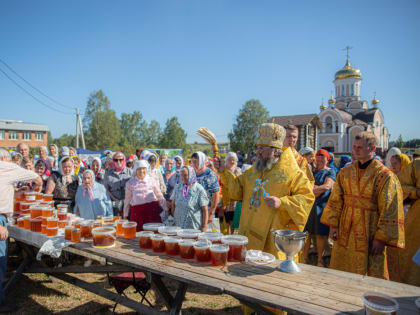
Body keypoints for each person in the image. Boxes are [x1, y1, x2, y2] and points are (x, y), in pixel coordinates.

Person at [216, 123, 314, 315]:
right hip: (249, 234)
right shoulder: (253, 172)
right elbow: (236, 191)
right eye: (257, 148)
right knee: (248, 281)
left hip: (272, 239)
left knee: (271, 288)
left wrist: (283, 203)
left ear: (276, 150)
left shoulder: (292, 173)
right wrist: (223, 172)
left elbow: (307, 197)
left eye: (262, 148)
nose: (257, 152)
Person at [321, 131, 405, 279]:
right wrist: (334, 225)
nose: (355, 150)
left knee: (369, 274)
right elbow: (336, 200)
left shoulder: (384, 175)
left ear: (372, 148)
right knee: (341, 271)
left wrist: (381, 238)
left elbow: (389, 208)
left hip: (370, 230)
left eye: (360, 147)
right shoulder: (345, 172)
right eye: (354, 146)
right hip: (345, 229)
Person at [0, 148, 41, 312]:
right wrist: (37, 185)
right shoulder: (5, 166)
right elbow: (36, 178)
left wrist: (17, 192)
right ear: (4, 158)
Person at [388, 148, 420, 286]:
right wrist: (416, 192)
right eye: (392, 163)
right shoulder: (417, 166)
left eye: (396, 163)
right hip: (414, 219)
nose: (394, 166)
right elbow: (400, 187)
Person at [303, 149, 336, 267]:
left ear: (327, 160)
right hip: (309, 206)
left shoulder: (330, 172)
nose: (320, 159)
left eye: (323, 157)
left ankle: (320, 261)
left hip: (321, 207)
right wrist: (316, 190)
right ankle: (304, 258)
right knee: (307, 234)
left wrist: (311, 191)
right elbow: (304, 186)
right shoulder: (312, 171)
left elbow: (327, 186)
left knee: (320, 235)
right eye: (318, 157)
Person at [123, 160, 166, 230]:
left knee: (154, 233)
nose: (141, 171)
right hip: (138, 213)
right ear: (135, 171)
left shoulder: (152, 180)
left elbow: (159, 195)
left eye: (144, 168)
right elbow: (127, 200)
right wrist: (125, 215)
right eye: (139, 169)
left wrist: (165, 209)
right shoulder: (130, 183)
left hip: (153, 211)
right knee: (139, 235)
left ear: (147, 169)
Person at [171, 166, 209, 231]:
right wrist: (175, 219)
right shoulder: (178, 187)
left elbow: (205, 210)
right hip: (178, 227)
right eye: (181, 175)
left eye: (185, 175)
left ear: (191, 175)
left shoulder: (199, 189)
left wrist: (204, 227)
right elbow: (173, 205)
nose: (182, 178)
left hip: (193, 227)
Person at [191, 151, 220, 224]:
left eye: (195, 161)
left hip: (206, 210)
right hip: (192, 211)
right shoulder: (191, 173)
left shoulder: (210, 174)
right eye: (192, 161)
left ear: (201, 161)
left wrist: (211, 213)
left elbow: (216, 195)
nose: (193, 164)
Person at [104, 152, 133, 216]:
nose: (118, 162)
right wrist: (115, 200)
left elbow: (134, 188)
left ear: (124, 160)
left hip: (128, 205)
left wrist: (124, 201)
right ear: (113, 161)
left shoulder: (130, 172)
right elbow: (106, 189)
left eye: (120, 160)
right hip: (114, 206)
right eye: (116, 160)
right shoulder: (108, 174)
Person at [219, 152, 241, 234]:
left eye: (233, 160)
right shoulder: (222, 170)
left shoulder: (238, 170)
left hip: (235, 200)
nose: (232, 162)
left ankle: (232, 239)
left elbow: (238, 184)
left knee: (233, 222)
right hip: (225, 199)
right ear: (226, 161)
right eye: (230, 160)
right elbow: (222, 183)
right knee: (224, 222)